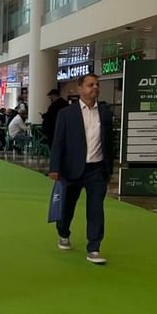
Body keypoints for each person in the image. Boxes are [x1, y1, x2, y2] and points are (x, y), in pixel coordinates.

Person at [48, 73, 115, 264]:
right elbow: (58, 141)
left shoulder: (105, 113)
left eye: (97, 84)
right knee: (67, 207)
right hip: (72, 169)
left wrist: (109, 168)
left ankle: (94, 247)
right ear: (80, 89)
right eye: (90, 85)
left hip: (97, 169)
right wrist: (55, 167)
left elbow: (109, 142)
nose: (95, 88)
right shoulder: (66, 114)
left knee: (96, 209)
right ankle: (63, 232)